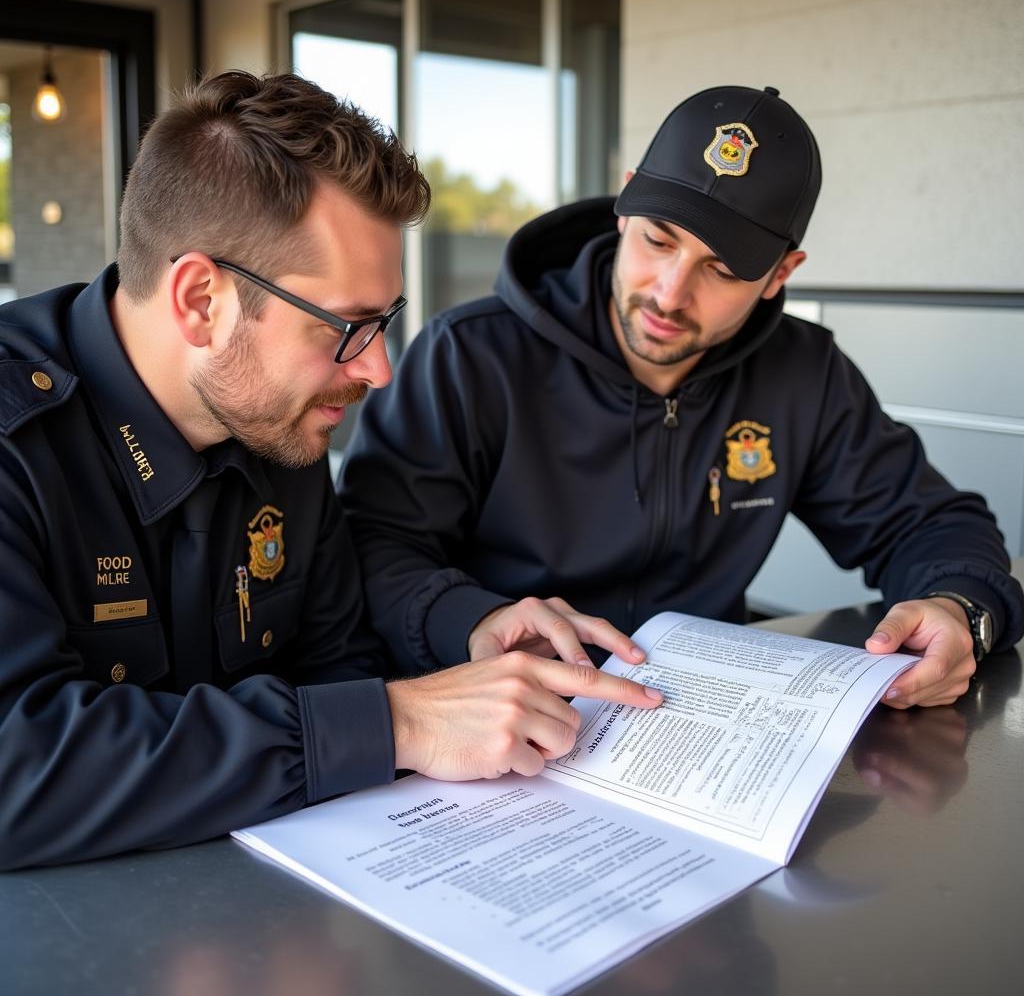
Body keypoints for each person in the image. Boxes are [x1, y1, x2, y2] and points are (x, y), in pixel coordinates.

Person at [0, 71, 662, 871]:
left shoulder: (280, 422)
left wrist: (460, 639)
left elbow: (337, 658)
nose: (380, 369)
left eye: (384, 324)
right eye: (348, 327)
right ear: (201, 299)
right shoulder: (16, 442)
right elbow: (16, 767)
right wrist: (394, 725)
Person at [342, 84, 1024, 709]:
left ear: (779, 275)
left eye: (721, 270)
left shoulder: (804, 375)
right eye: (658, 240)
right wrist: (475, 619)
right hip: (507, 715)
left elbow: (929, 522)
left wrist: (960, 609)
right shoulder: (470, 356)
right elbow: (373, 546)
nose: (669, 293)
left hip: (704, 728)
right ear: (625, 201)